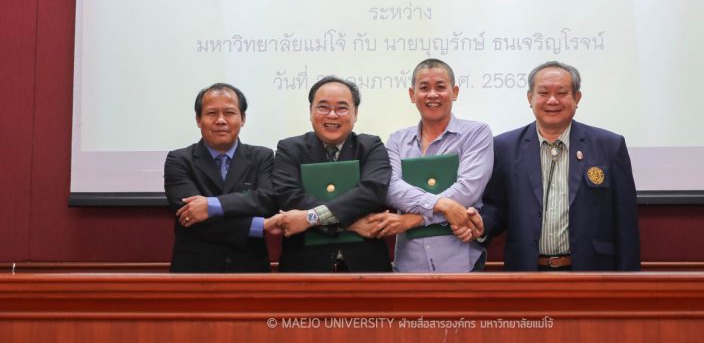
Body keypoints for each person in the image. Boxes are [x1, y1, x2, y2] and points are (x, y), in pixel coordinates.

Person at [475, 61, 640, 271]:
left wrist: (629, 281)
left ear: (577, 98)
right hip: (526, 272)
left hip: (592, 273)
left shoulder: (609, 146)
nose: (552, 100)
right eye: (543, 93)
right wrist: (481, 225)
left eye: (561, 93)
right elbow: (496, 208)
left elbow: (626, 223)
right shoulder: (504, 147)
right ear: (530, 98)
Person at [368, 59, 493, 272]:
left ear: (454, 92)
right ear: (412, 94)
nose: (432, 94)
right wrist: (444, 206)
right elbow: (391, 189)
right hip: (408, 265)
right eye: (424, 88)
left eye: (441, 87)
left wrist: (414, 220)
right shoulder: (397, 140)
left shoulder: (476, 133)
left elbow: (468, 190)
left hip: (461, 264)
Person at [267, 76, 392, 272]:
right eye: (323, 107)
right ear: (310, 111)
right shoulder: (289, 148)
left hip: (366, 267)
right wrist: (351, 225)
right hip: (304, 267)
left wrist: (309, 218)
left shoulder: (371, 146)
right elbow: (289, 197)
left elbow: (370, 192)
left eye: (342, 108)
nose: (332, 115)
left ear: (355, 113)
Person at [164, 83, 276, 273]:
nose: (221, 120)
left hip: (250, 270)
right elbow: (192, 217)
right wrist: (258, 225)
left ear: (243, 119)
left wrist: (211, 205)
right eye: (211, 113)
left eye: (230, 113)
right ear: (199, 120)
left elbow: (266, 201)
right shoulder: (179, 160)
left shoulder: (262, 157)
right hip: (195, 273)